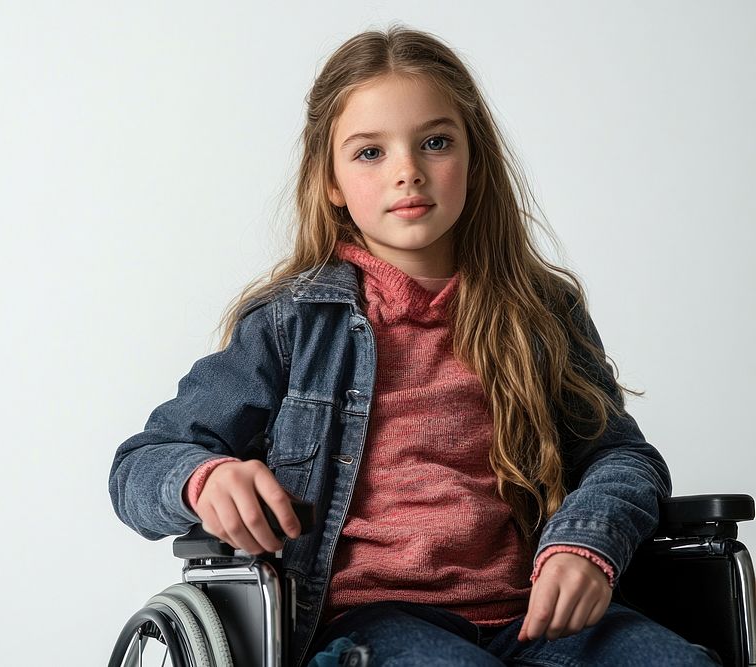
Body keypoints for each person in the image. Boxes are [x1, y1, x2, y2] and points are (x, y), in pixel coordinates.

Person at [109, 23, 720, 666]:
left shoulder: (539, 313)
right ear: (331, 184)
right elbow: (138, 465)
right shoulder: (293, 324)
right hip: (373, 625)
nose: (408, 172)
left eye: (434, 142)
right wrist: (205, 478)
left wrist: (584, 541)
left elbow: (624, 459)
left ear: (473, 161)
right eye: (370, 152)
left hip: (535, 617)